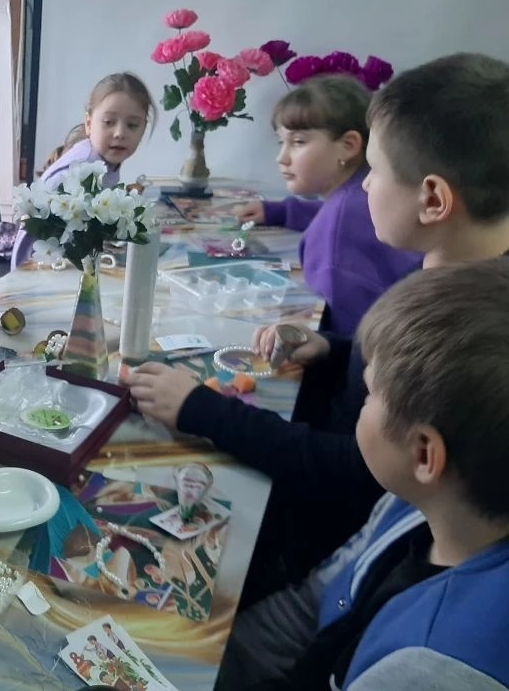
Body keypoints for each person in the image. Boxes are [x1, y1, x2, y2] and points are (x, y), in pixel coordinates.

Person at [126, 53, 509, 600]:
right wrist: (333, 351)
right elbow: (398, 374)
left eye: (374, 171)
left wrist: (200, 410)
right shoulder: (456, 280)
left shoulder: (468, 331)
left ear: (432, 199)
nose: (364, 187)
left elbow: (357, 470)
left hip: (326, 540)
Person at [215, 259, 509, 690]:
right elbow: (314, 603)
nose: (360, 402)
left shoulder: (433, 666)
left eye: (368, 393)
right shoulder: (417, 503)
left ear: (424, 454)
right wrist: (210, 655)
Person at [235, 75, 420, 336]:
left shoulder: (337, 231)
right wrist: (280, 211)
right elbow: (333, 211)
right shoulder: (364, 192)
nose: (281, 158)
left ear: (348, 146)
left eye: (298, 142)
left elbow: (355, 341)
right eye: (281, 142)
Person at [12, 72, 155, 268]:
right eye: (109, 122)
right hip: (35, 268)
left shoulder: (105, 161)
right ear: (89, 123)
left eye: (132, 125)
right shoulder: (83, 169)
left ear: (143, 129)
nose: (120, 133)